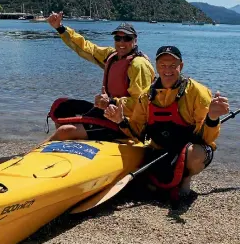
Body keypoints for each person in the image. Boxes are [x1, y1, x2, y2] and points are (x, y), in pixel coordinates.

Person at [104, 46, 229, 206]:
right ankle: (161, 182)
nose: (167, 70)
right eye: (163, 65)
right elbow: (138, 133)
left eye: (172, 65)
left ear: (181, 66)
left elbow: (206, 138)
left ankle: (185, 179)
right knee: (149, 186)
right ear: (157, 67)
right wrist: (120, 120)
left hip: (190, 149)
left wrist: (212, 117)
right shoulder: (146, 95)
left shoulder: (198, 92)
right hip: (160, 150)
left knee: (195, 153)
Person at [46, 11, 155, 141]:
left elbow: (141, 104)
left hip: (126, 122)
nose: (121, 42)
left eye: (127, 38)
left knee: (66, 130)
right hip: (108, 111)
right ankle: (71, 144)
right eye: (118, 38)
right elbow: (86, 47)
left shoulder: (139, 65)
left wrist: (111, 101)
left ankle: (36, 154)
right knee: (62, 106)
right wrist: (60, 28)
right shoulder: (112, 56)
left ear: (135, 41)